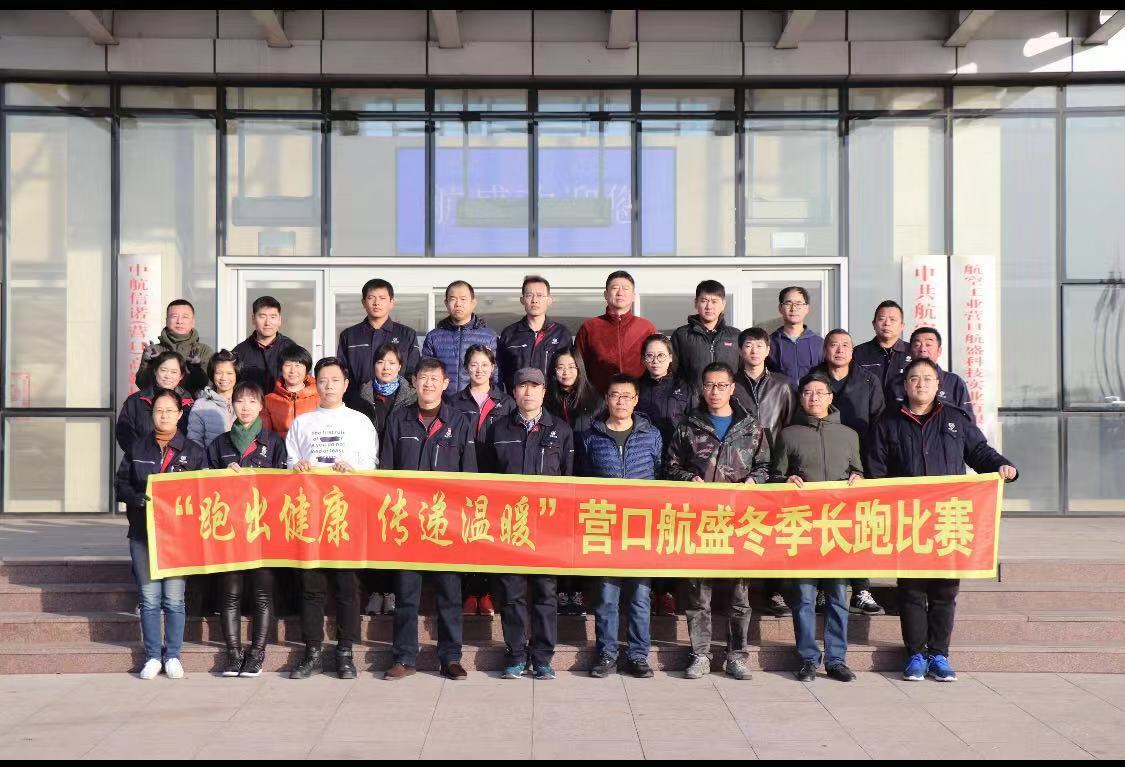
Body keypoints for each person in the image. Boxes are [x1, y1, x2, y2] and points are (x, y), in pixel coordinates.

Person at [868, 357, 1018, 683]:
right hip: (908, 521)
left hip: (947, 519)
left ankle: (939, 654)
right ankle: (916, 655)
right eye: (914, 378)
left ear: (938, 384)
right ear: (905, 385)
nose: (920, 384)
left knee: (945, 591)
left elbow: (980, 453)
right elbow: (875, 471)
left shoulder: (955, 419)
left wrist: (1002, 466)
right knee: (910, 590)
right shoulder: (888, 422)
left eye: (927, 378)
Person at [665, 362, 770, 681]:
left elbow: (765, 467)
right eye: (709, 385)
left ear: (732, 388)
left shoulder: (750, 426)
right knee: (699, 593)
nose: (715, 391)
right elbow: (670, 466)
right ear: (702, 388)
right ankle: (700, 654)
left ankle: (736, 656)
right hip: (701, 521)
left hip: (739, 522)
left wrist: (753, 481)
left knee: (739, 595)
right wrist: (689, 479)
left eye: (721, 385)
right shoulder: (688, 426)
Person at [381, 358, 478, 682]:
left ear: (446, 384)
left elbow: (469, 474)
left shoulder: (459, 422)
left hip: (445, 522)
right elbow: (387, 472)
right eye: (423, 378)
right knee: (406, 594)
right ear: (414, 381)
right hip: (408, 522)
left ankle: (450, 658)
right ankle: (404, 657)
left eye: (435, 379)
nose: (429, 384)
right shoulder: (399, 420)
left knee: (450, 594)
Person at [285, 357, 379, 680]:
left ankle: (345, 652)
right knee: (311, 586)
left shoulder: (360, 422)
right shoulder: (302, 423)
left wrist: (353, 469)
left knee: (347, 586)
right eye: (322, 380)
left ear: (346, 384)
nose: (328, 386)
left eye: (335, 380)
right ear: (315, 384)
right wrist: (297, 467)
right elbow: (290, 464)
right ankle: (312, 652)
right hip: (311, 517)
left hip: (346, 517)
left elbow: (371, 464)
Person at [480, 368, 574, 681]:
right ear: (514, 392)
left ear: (544, 391)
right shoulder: (498, 428)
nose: (528, 392)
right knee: (512, 592)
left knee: (546, 592)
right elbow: (487, 477)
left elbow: (569, 479)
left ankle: (543, 657)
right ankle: (516, 654)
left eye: (535, 386)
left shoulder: (560, 430)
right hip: (509, 525)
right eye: (522, 386)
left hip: (547, 527)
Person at [770, 372, 865, 683]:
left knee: (838, 597)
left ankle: (837, 660)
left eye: (820, 392)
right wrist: (785, 480)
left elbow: (859, 472)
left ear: (830, 397)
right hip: (803, 528)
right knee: (805, 597)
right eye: (808, 392)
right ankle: (808, 658)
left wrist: (859, 478)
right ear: (801, 398)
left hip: (837, 528)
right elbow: (775, 476)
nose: (814, 398)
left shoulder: (849, 435)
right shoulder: (788, 435)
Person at [115, 388, 206, 680]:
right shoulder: (138, 447)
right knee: (150, 598)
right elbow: (121, 484)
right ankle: (153, 655)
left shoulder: (194, 452)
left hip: (178, 538)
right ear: (151, 414)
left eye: (169, 410)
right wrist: (135, 498)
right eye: (158, 410)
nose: (163, 415)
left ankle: (174, 655)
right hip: (143, 534)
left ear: (180, 414)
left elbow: (203, 493)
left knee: (174, 599)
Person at [580, 374, 664, 679]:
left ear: (636, 400)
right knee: (607, 595)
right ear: (606, 399)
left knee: (640, 596)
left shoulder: (651, 435)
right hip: (605, 527)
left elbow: (660, 474)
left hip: (641, 528)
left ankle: (638, 655)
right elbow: (584, 479)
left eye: (627, 396)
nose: (620, 401)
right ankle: (607, 653)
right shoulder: (591, 436)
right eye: (615, 395)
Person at [206, 381, 288, 678]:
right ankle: (233, 654)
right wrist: (221, 475)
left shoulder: (274, 442)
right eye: (240, 401)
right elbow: (203, 485)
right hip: (229, 531)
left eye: (252, 401)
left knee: (262, 594)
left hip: (262, 530)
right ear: (232, 405)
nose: (245, 407)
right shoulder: (219, 444)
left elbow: (284, 485)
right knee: (230, 594)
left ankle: (257, 654)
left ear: (261, 407)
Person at [812, 329, 886, 617]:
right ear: (825, 350)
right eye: (834, 345)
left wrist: (870, 469)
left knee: (858, 528)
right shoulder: (813, 379)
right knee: (823, 527)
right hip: (821, 464)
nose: (840, 350)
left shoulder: (868, 380)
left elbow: (878, 425)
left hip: (858, 466)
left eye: (846, 345)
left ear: (853, 351)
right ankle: (822, 588)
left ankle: (861, 588)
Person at [731, 326, 797, 618]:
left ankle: (775, 591)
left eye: (759, 345)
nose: (754, 351)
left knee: (774, 530)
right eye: (748, 345)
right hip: (739, 466)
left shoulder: (783, 385)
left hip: (775, 465)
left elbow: (791, 426)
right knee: (742, 528)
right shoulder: (731, 383)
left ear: (768, 350)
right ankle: (738, 592)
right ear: (740, 350)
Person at [445, 344, 514, 618]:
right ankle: (469, 593)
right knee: (466, 534)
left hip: (495, 475)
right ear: (465, 368)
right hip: (465, 475)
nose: (479, 369)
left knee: (490, 536)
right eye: (474, 364)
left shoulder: (506, 402)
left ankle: (486, 594)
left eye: (485, 364)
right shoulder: (454, 401)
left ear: (493, 367)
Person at [635, 333, 693, 617]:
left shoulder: (685, 388)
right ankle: (646, 588)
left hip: (676, 465)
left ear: (670, 358)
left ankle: (668, 589)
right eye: (649, 356)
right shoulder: (635, 388)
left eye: (660, 355)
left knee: (669, 530)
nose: (655, 361)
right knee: (645, 530)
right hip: (643, 465)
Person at [544, 345, 603, 615]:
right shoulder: (547, 400)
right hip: (554, 476)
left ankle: (577, 591)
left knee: (579, 535)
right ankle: (559, 589)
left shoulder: (595, 400)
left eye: (571, 367)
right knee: (555, 535)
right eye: (560, 367)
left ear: (579, 369)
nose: (565, 372)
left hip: (585, 475)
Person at [336, 278, 421, 395]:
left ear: (391, 302)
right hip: (357, 400)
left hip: (398, 401)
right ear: (363, 302)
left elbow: (413, 373)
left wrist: (405, 397)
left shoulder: (407, 335)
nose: (376, 303)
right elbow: (342, 373)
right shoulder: (349, 336)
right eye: (371, 298)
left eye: (382, 298)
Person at [575, 271, 656, 393]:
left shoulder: (646, 328)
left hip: (638, 398)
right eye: (615, 288)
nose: (620, 293)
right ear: (606, 294)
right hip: (599, 398)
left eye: (625, 288)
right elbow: (578, 366)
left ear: (633, 296)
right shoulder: (589, 327)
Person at [498, 275, 572, 393]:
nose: (534, 300)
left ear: (549, 300)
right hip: (517, 400)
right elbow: (500, 373)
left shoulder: (562, 334)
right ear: (522, 300)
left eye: (540, 295)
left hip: (552, 400)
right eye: (529, 295)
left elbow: (569, 371)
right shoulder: (509, 334)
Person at [422, 280, 498, 393]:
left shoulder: (489, 337)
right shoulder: (434, 337)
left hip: (477, 400)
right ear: (446, 303)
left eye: (463, 299)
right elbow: (426, 372)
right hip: (444, 401)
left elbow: (496, 376)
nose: (458, 304)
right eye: (453, 299)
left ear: (473, 302)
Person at [889, 327, 976, 420]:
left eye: (928, 345)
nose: (922, 349)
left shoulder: (954, 382)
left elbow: (967, 421)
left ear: (939, 351)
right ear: (910, 351)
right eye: (917, 345)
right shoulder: (896, 382)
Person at [116, 350, 194, 452]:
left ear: (181, 376)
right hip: (143, 459)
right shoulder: (135, 401)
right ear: (155, 371)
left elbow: (194, 439)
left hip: (180, 461)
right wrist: (140, 455)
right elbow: (124, 433)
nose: (168, 376)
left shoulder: (190, 405)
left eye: (174, 372)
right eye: (163, 370)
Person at [670, 280, 740, 387]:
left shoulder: (736, 336)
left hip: (727, 397)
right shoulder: (681, 335)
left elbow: (743, 372)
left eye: (714, 301)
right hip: (692, 397)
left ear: (723, 304)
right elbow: (672, 371)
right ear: (696, 303)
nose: (709, 306)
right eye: (704, 301)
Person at [135, 299, 214, 392]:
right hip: (160, 401)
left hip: (193, 401)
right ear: (166, 320)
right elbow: (142, 385)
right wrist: (150, 364)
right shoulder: (154, 350)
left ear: (193, 322)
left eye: (185, 317)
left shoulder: (203, 350)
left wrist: (196, 368)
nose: (179, 321)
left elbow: (210, 386)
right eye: (174, 316)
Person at [232, 295, 294, 393]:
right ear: (253, 319)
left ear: (279, 320)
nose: (267, 323)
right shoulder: (239, 352)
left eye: (273, 317)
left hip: (283, 402)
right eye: (262, 316)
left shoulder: (291, 349)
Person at [356, 342, 418, 436]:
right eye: (380, 362)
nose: (386, 367)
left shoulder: (412, 396)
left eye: (392, 363)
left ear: (399, 367)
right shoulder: (362, 395)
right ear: (374, 365)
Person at [261, 344, 320, 439]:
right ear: (281, 368)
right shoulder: (269, 400)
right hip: (280, 447)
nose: (293, 370)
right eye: (288, 365)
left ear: (306, 368)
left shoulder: (320, 398)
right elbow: (266, 435)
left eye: (298, 365)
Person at [768, 287, 823, 383]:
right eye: (788, 303)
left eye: (798, 304)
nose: (793, 308)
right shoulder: (770, 343)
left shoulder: (819, 344)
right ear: (780, 308)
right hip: (781, 393)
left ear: (807, 308)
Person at [853, 300, 910, 394]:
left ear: (902, 326)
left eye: (892, 319)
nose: (887, 323)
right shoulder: (858, 353)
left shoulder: (912, 352)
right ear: (874, 324)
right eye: (882, 319)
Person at [186, 350, 238, 450]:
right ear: (212, 374)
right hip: (212, 459)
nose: (224, 378)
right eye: (218, 373)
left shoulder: (245, 402)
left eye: (229, 373)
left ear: (236, 374)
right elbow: (194, 442)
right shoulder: (201, 405)